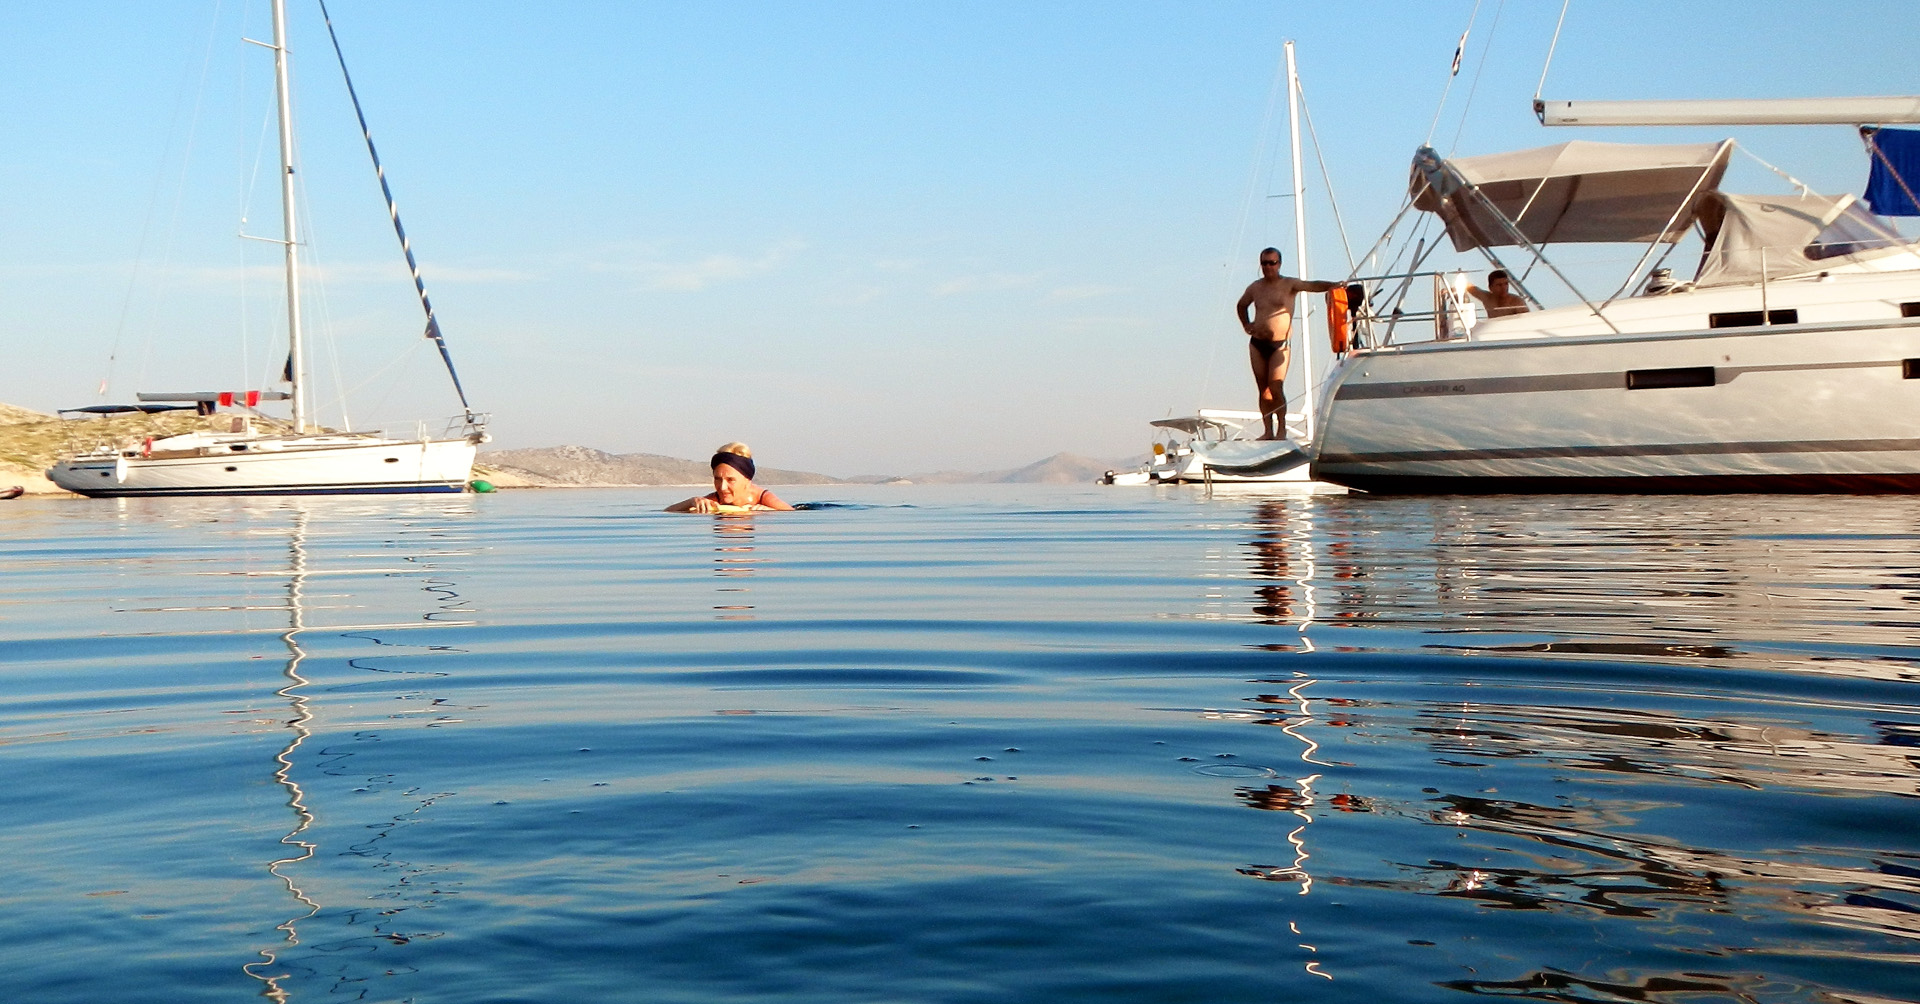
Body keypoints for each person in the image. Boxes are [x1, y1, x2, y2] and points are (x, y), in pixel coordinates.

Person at [1236, 248, 1339, 440]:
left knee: (1275, 386)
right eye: (1264, 263)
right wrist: (1246, 324)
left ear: (1279, 264)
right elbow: (1241, 305)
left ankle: (1282, 428)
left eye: (1272, 263)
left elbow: (1312, 285)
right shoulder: (1255, 287)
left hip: (1279, 345)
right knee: (1263, 389)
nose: (1268, 267)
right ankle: (1268, 430)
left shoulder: (1289, 284)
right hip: (1257, 343)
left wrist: (1333, 285)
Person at [666, 442, 796, 513]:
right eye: (717, 479)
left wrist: (770, 511)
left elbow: (791, 513)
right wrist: (691, 501)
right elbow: (667, 512)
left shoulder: (762, 497)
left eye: (730, 480)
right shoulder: (715, 499)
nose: (722, 487)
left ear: (747, 480)